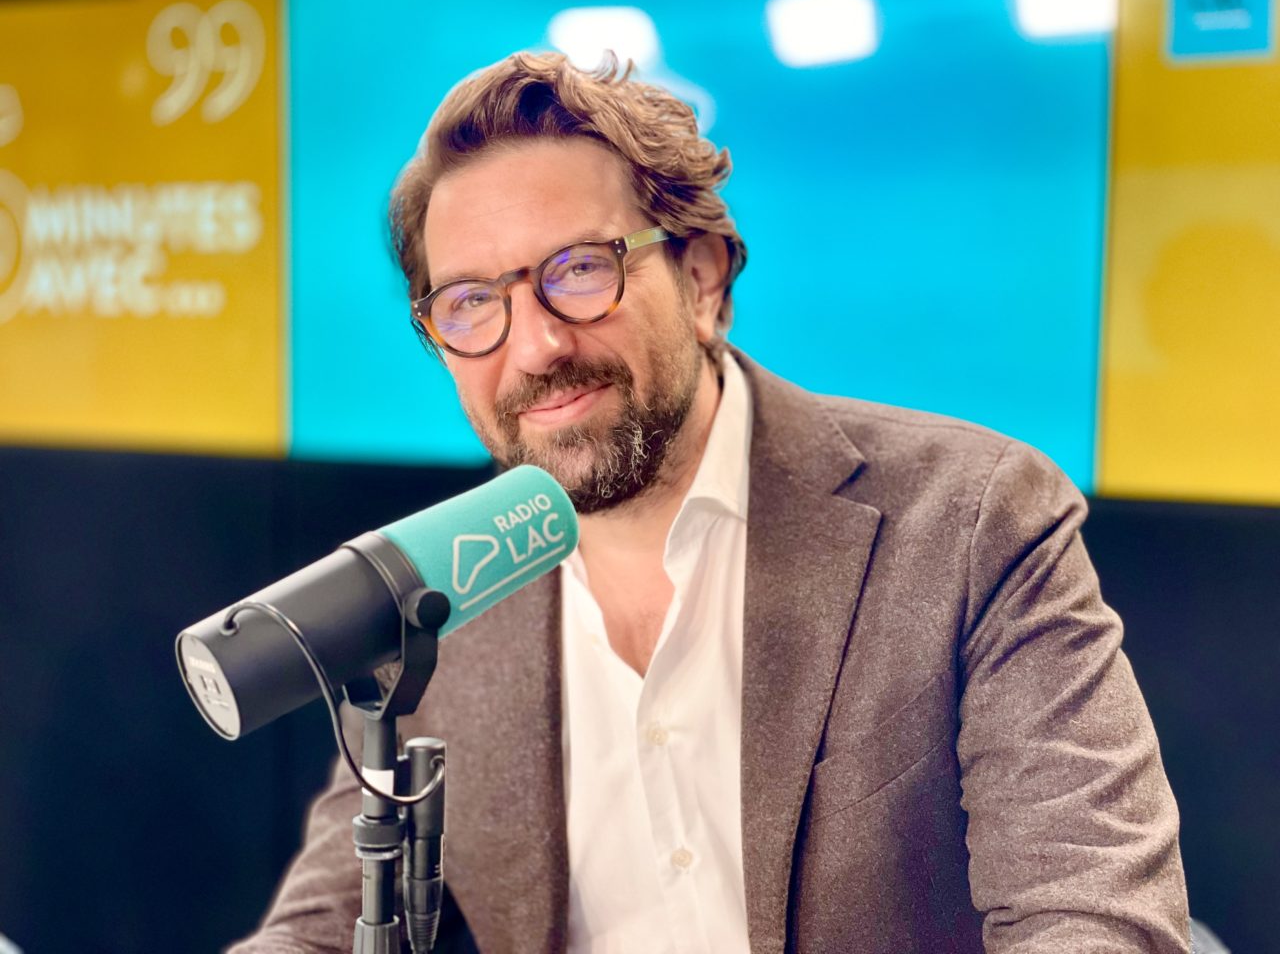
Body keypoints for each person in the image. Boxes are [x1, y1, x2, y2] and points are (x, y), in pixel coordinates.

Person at [231, 52, 1190, 953]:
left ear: (700, 280)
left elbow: (1095, 916)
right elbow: (320, 925)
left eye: (579, 269)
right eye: (473, 303)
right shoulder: (435, 597)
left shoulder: (973, 523)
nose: (535, 348)